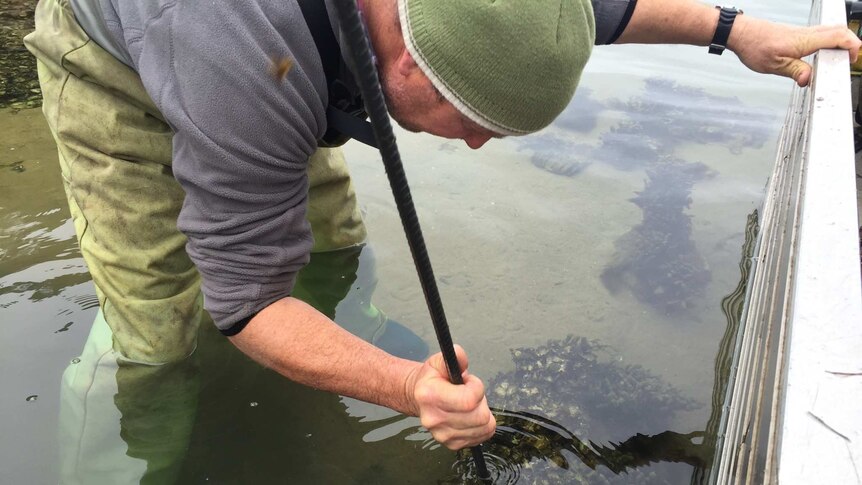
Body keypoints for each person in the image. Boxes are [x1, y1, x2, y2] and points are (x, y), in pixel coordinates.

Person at [23, 0, 861, 455]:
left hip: (293, 66)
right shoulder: (239, 52)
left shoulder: (484, 13)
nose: (473, 144)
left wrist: (737, 29)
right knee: (160, 332)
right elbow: (242, 299)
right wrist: (402, 386)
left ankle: (330, 354)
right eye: (468, 119)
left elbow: (596, 10)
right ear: (407, 58)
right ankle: (114, 457)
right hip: (128, 61)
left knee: (336, 244)